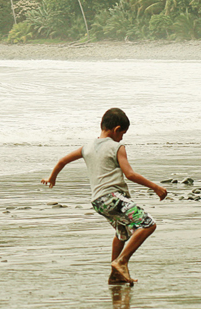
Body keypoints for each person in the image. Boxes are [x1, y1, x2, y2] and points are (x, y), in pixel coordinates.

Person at [41, 108, 168, 285]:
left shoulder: (87, 147)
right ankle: (121, 261)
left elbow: (62, 160)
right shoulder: (117, 147)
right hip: (113, 197)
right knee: (148, 224)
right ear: (116, 130)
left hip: (98, 201)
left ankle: (115, 275)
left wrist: (51, 178)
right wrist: (156, 187)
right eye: (123, 133)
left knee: (121, 233)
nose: (122, 138)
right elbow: (130, 174)